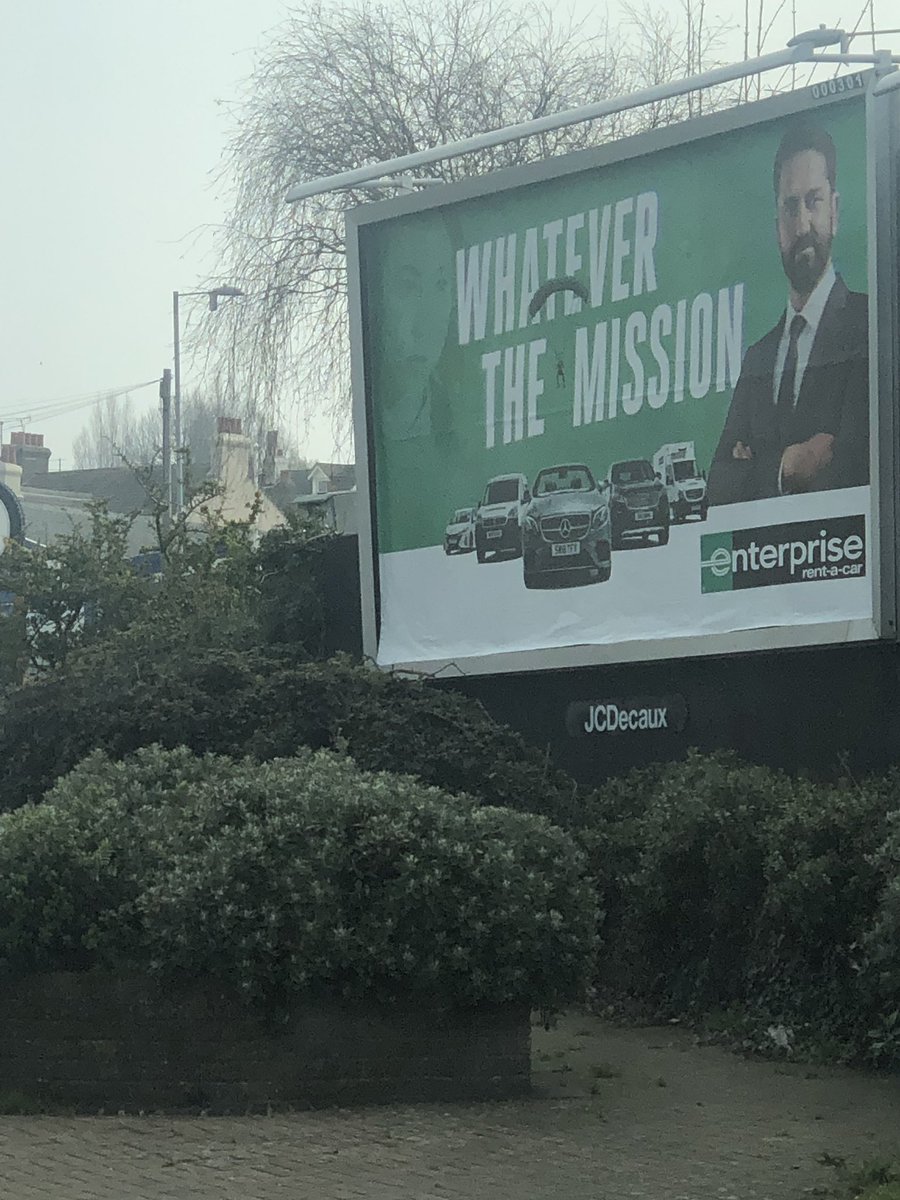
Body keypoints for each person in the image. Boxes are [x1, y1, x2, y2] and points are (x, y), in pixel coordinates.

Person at [707, 122, 868, 506]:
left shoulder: (870, 325)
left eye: (814, 201)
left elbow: (856, 465)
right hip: (763, 547)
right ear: (776, 224)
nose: (802, 224)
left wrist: (753, 469)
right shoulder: (758, 357)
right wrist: (789, 466)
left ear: (835, 210)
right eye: (790, 207)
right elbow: (716, 490)